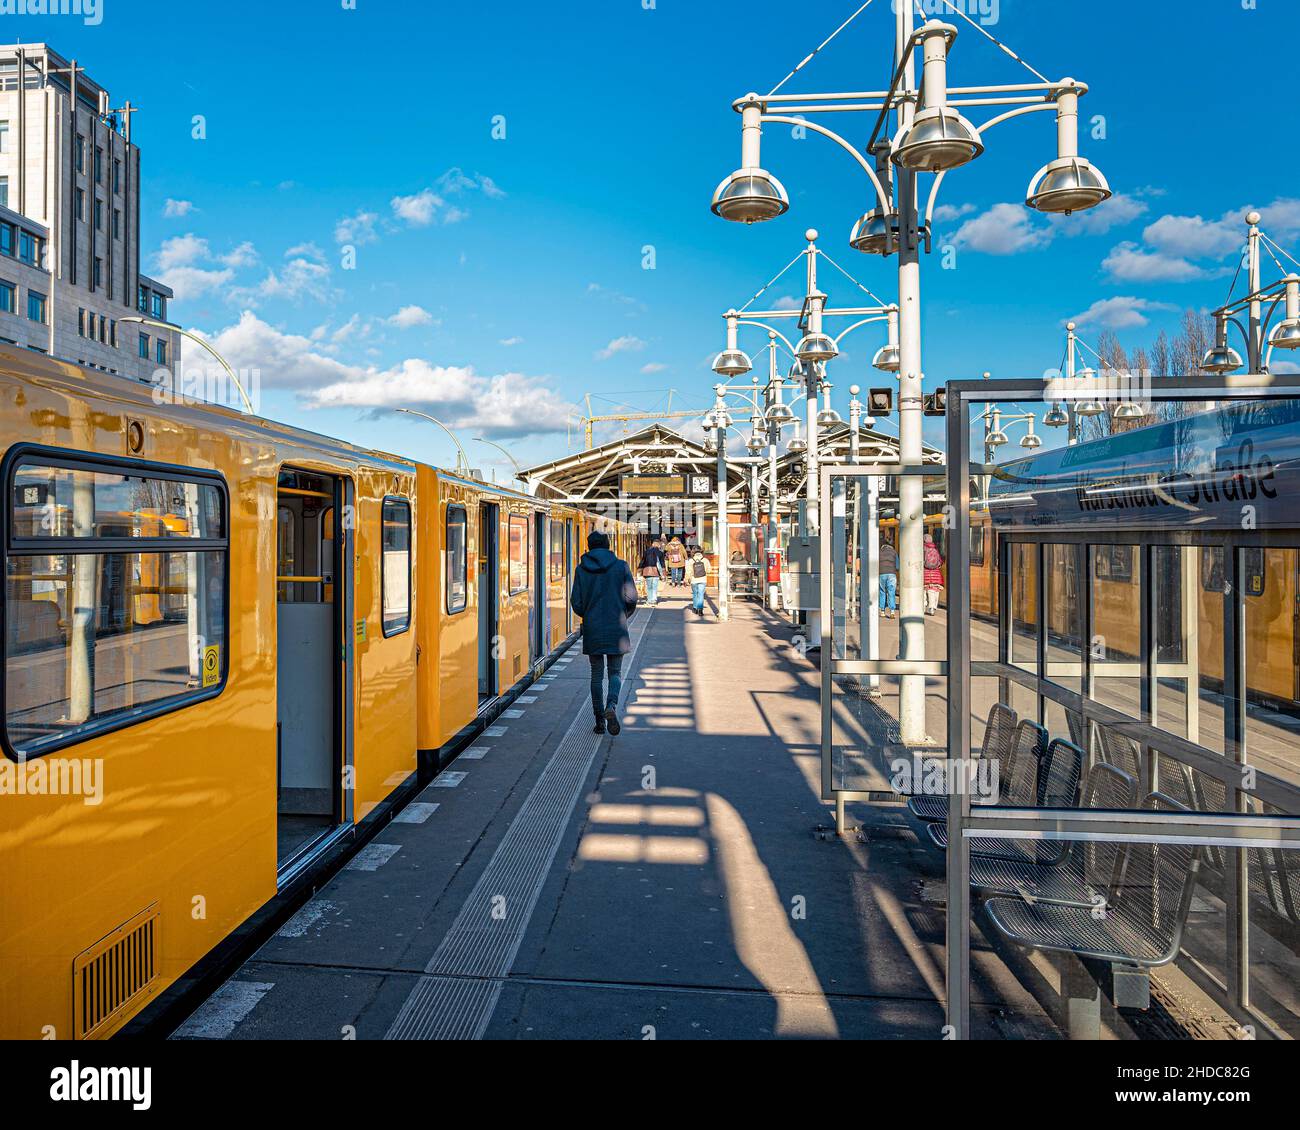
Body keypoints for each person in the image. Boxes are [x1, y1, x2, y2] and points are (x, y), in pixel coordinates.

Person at [570, 530, 638, 735]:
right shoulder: (621, 566)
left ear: (589, 546)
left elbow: (576, 602)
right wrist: (624, 614)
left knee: (596, 675)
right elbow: (631, 597)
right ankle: (611, 706)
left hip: (593, 627)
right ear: (608, 545)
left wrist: (588, 615)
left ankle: (599, 721)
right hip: (616, 626)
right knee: (615, 672)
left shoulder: (581, 569)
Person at [638, 538, 666, 606]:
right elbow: (662, 563)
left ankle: (649, 600)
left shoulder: (646, 551)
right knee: (655, 586)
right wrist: (663, 574)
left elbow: (643, 561)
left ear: (652, 544)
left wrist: (640, 568)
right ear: (658, 545)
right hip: (656, 571)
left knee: (649, 587)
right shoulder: (660, 553)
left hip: (647, 571)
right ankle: (654, 600)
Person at [923, 532, 945, 615]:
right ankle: (932, 608)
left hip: (925, 574)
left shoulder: (923, 549)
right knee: (933, 591)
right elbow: (940, 562)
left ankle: (923, 606)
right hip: (936, 574)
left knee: (923, 591)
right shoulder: (935, 550)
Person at [878, 536, 898, 619]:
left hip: (882, 574)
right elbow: (897, 566)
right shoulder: (894, 552)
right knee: (891, 592)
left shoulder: (879, 552)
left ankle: (882, 611)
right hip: (892, 574)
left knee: (882, 591)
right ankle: (892, 612)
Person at [689, 547, 710, 618]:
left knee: (695, 594)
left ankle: (695, 608)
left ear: (693, 552)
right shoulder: (705, 560)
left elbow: (688, 571)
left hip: (694, 580)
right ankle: (700, 609)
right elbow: (709, 570)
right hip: (703, 579)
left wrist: (687, 579)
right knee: (701, 594)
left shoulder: (691, 560)